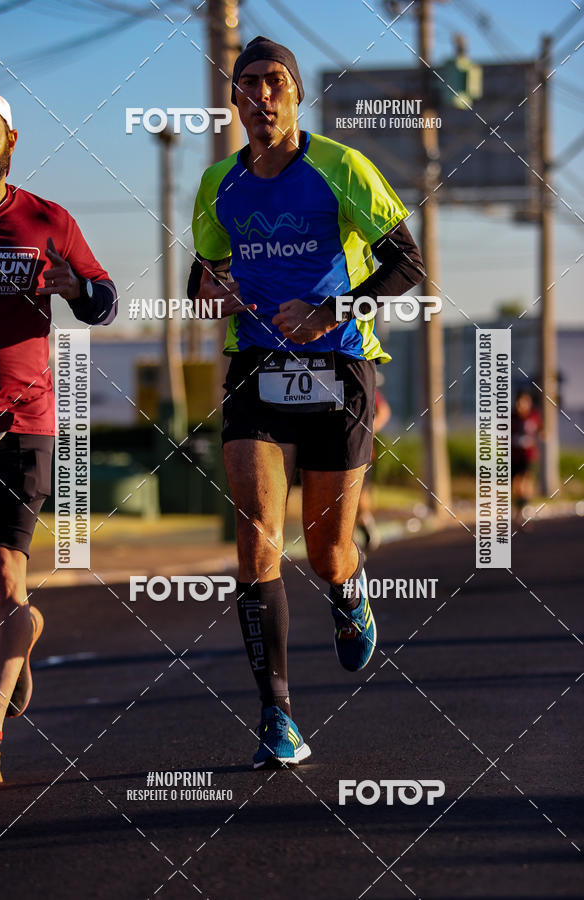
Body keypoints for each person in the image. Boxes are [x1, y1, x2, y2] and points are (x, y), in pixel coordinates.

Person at [188, 37, 424, 768]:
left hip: (338, 368)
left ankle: (348, 590)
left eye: (275, 83)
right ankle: (277, 715)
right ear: (235, 100)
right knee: (258, 537)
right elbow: (199, 281)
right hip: (256, 366)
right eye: (248, 84)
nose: (261, 95)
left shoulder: (340, 167)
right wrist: (211, 292)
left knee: (324, 551)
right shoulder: (218, 184)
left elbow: (407, 263)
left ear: (294, 95)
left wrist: (333, 310)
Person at [0, 89, 117, 783]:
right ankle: (18, 639)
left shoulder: (45, 219)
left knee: (6, 574)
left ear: (10, 140)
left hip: (21, 423)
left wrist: (74, 288)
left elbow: (105, 300)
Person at [355, 387, 391, 551]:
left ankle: (365, 522)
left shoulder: (366, 387)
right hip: (336, 454)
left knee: (361, 496)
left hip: (362, 454)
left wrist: (369, 429)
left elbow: (384, 411)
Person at [511, 389, 542, 519]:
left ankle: (525, 510)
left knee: (526, 482)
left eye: (524, 402)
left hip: (528, 455)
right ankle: (520, 507)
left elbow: (541, 430)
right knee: (516, 485)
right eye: (519, 403)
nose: (521, 405)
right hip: (514, 455)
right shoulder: (512, 418)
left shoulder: (534, 416)